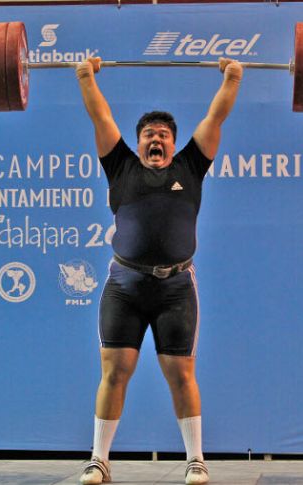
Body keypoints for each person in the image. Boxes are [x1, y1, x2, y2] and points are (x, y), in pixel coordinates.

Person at [75, 56, 243, 485]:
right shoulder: (120, 166)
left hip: (176, 289)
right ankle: (99, 461)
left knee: (181, 374)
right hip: (125, 286)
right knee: (114, 371)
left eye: (164, 135)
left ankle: (195, 460)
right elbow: (100, 113)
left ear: (173, 143)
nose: (157, 140)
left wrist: (233, 77)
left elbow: (216, 114)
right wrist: (84, 76)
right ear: (138, 142)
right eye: (149, 134)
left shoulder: (190, 166)